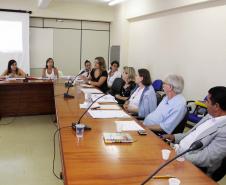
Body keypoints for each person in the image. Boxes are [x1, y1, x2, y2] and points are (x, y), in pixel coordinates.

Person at [162, 86, 226, 177]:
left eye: (207, 101)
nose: (204, 103)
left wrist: (178, 154)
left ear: (216, 106)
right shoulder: (210, 116)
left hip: (192, 165)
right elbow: (190, 134)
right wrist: (173, 137)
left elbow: (207, 158)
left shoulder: (224, 130)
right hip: (178, 151)